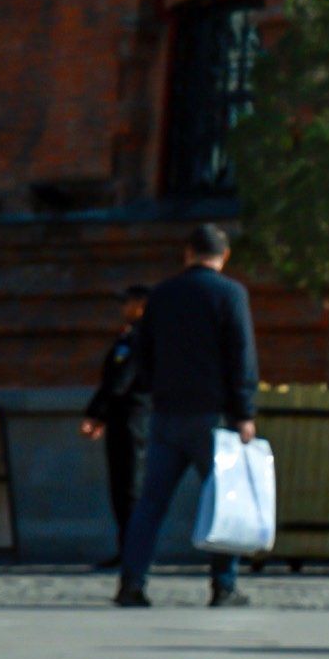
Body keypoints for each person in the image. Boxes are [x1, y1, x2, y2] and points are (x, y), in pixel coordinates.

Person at [114, 223, 259, 610]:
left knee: (151, 503)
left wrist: (153, 388)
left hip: (166, 414)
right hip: (211, 417)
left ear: (188, 253)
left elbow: (142, 350)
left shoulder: (161, 295)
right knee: (224, 501)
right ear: (223, 257)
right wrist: (244, 412)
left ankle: (132, 581)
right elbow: (241, 355)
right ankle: (223, 586)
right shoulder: (231, 294)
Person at [79, 285, 150, 571]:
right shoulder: (129, 335)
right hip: (122, 418)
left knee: (130, 486)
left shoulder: (141, 337)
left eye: (129, 303)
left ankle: (134, 552)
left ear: (142, 305)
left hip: (134, 418)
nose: (124, 308)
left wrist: (95, 414)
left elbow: (120, 380)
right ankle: (127, 548)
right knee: (121, 486)